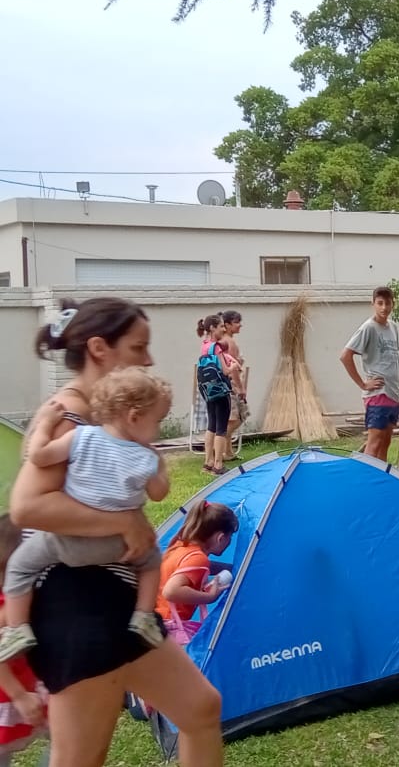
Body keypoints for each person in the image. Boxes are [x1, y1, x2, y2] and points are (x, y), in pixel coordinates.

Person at [9, 297, 223, 767]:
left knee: (201, 708)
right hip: (78, 603)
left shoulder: (109, 418)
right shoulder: (71, 413)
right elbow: (26, 506)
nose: (147, 359)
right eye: (138, 347)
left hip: (118, 598)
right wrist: (124, 521)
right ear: (100, 349)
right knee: (81, 757)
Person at [0, 367, 172, 661]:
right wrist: (159, 466)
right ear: (134, 417)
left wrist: (44, 426)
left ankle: (16, 628)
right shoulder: (146, 456)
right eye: (157, 421)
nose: (157, 429)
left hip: (68, 543)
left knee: (20, 566)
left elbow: (38, 456)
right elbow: (159, 493)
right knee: (152, 562)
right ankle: (143, 617)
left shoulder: (81, 437)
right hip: (119, 546)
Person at [0, 516, 49, 766]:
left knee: (68, 732)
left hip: (28, 683)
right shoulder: (8, 606)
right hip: (8, 694)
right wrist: (19, 695)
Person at [156, 500, 239, 646]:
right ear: (221, 538)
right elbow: (171, 591)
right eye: (229, 537)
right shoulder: (199, 559)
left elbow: (196, 567)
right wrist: (209, 597)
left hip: (155, 622)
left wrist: (233, 568)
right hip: (170, 629)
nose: (230, 541)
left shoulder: (181, 547)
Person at [340, 286, 399, 462]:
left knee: (385, 443)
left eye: (387, 303)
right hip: (378, 394)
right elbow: (345, 356)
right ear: (373, 304)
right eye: (380, 303)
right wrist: (363, 384)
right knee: (374, 443)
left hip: (392, 393)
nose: (384, 308)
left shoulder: (393, 328)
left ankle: (380, 482)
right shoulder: (368, 328)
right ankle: (366, 481)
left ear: (393, 305)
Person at [196, 314, 237, 476]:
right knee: (221, 427)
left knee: (211, 425)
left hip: (208, 390)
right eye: (221, 326)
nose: (223, 329)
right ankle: (219, 465)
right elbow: (225, 371)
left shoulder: (205, 345)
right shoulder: (217, 347)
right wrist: (233, 365)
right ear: (213, 328)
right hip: (221, 390)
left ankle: (208, 462)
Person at [219, 310, 249, 454]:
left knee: (232, 418)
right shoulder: (228, 343)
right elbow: (233, 368)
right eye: (236, 322)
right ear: (227, 324)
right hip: (230, 383)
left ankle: (228, 452)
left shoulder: (226, 341)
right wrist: (240, 388)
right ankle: (218, 444)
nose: (240, 325)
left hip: (226, 383)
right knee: (236, 418)